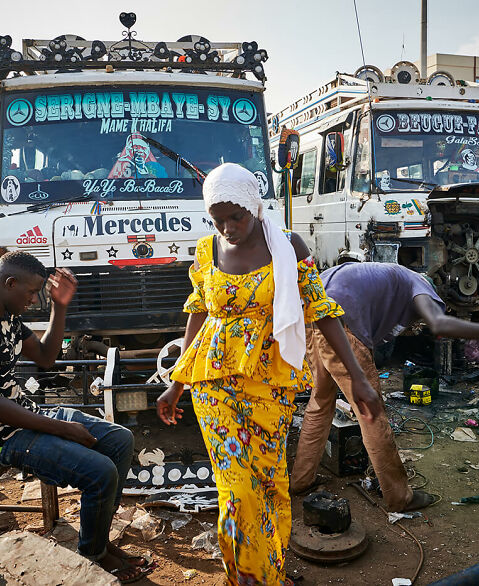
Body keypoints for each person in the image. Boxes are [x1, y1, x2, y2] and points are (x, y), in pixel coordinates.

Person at [156, 163, 382, 585]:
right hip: (213, 385)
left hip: (269, 385)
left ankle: (269, 570)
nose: (227, 227)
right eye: (217, 219)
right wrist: (176, 383)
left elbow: (320, 311)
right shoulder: (206, 251)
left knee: (269, 481)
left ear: (254, 207)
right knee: (238, 490)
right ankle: (246, 577)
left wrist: (358, 379)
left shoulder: (287, 246)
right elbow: (198, 314)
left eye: (235, 217)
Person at [0, 252, 149, 582]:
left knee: (120, 440)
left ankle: (100, 540)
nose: (34, 299)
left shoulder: (5, 316)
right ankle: (93, 556)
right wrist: (62, 428)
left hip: (24, 415)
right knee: (101, 473)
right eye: (30, 292)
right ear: (9, 283)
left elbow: (47, 358)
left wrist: (60, 306)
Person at [290, 262, 479, 511]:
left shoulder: (390, 276)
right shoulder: (419, 285)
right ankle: (400, 497)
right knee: (371, 414)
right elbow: (440, 324)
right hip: (341, 323)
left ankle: (302, 480)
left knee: (320, 401)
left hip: (315, 319)